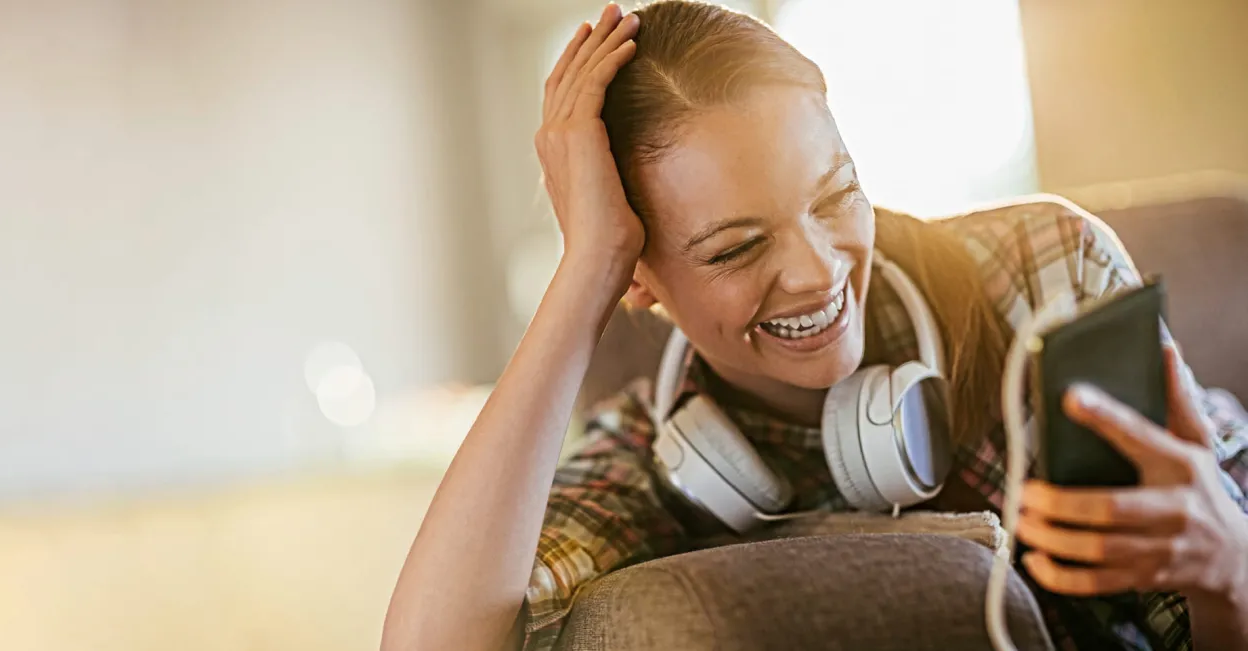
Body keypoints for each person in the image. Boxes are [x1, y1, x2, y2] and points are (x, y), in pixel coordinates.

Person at [381, 2, 1248, 650]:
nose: (820, 270)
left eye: (836, 195)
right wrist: (585, 272)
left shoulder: (1046, 269)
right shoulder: (658, 459)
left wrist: (1230, 569)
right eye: (734, 248)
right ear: (642, 278)